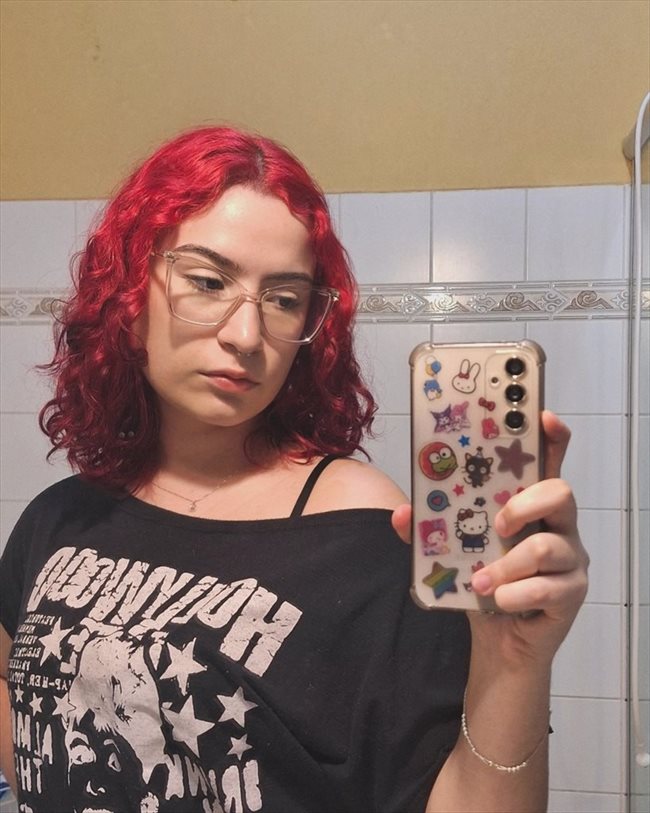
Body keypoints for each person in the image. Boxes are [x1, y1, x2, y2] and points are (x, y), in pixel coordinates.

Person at [0, 126, 588, 813]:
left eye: (283, 298)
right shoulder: (61, 515)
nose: (247, 335)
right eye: (208, 282)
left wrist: (513, 665)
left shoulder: (367, 533)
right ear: (128, 298)